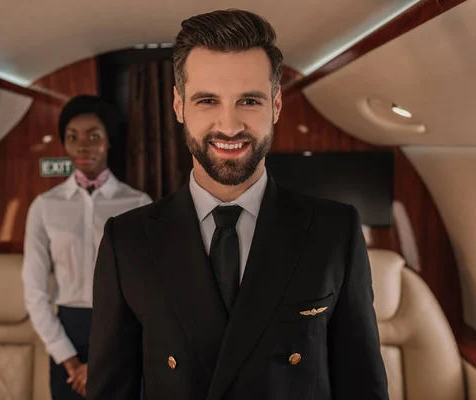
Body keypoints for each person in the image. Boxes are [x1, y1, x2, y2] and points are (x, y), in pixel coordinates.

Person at [86, 9, 389, 400]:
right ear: (179, 106)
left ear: (276, 105)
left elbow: (362, 386)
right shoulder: (126, 242)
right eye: (207, 100)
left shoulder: (335, 231)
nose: (229, 126)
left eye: (249, 100)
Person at [22, 95, 152, 399]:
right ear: (64, 144)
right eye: (73, 137)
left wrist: (103, 361)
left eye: (94, 136)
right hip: (67, 333)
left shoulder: (138, 204)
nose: (83, 146)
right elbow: (35, 292)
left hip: (122, 329)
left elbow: (146, 291)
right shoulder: (44, 207)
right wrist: (69, 359)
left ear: (109, 142)